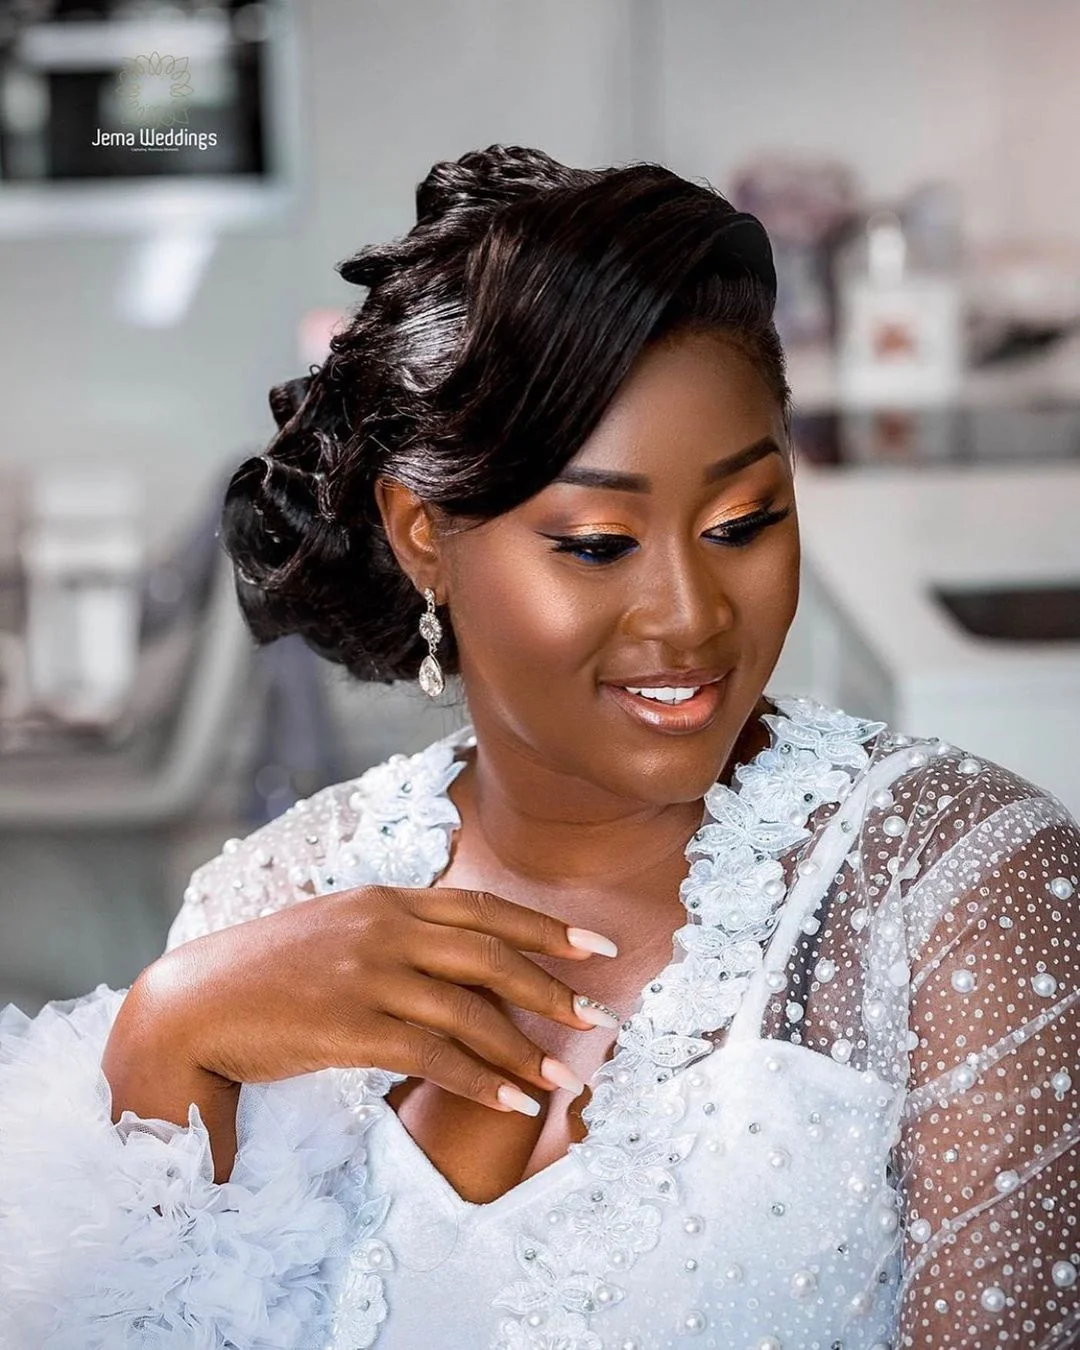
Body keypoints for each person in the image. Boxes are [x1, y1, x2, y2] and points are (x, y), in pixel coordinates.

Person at [1, 145, 1078, 1350]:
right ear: (422, 535)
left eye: (743, 523)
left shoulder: (951, 892)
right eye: (599, 545)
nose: (692, 618)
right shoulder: (270, 899)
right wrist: (166, 1036)